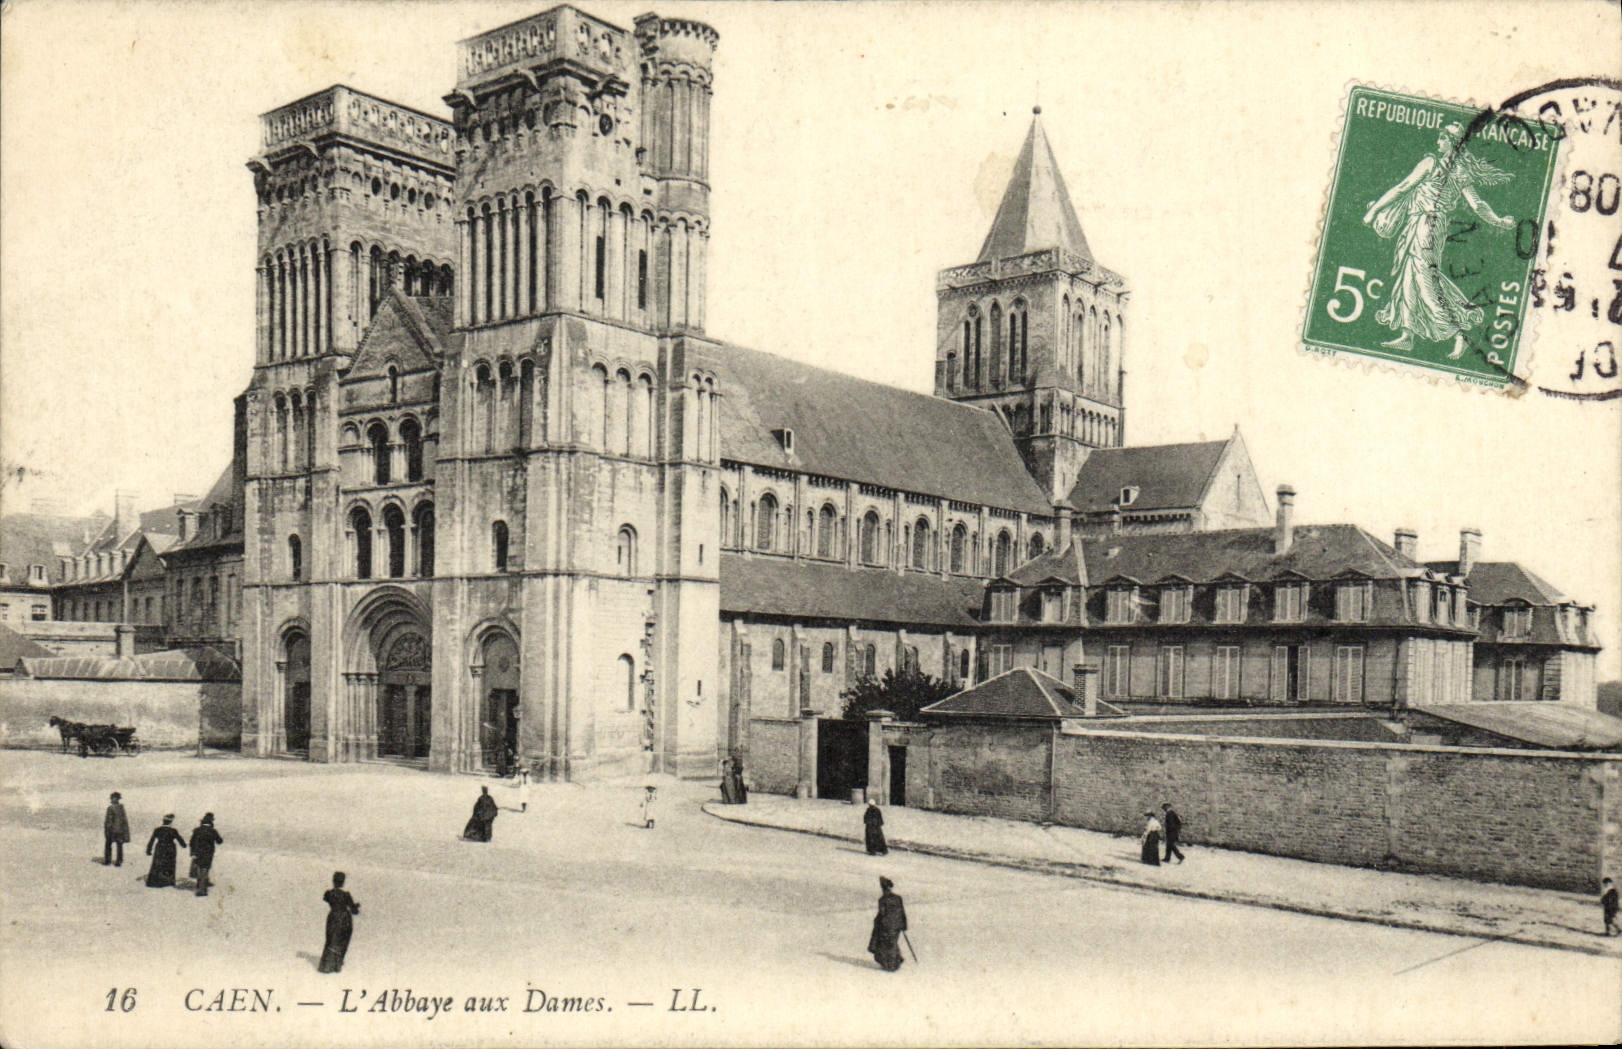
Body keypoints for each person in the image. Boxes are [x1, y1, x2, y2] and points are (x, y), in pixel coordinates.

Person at [1362, 122, 1516, 359]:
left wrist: (1374, 211)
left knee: (1425, 279)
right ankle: (1407, 335)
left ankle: (1459, 331)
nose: (1437, 143)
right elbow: (1478, 205)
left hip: (1425, 225)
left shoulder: (1431, 163)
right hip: (1431, 226)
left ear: (1451, 143)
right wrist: (1499, 221)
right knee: (1410, 277)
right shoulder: (1461, 172)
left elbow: (1402, 187)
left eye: (1442, 139)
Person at [318, 872, 362, 973]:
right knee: (342, 941)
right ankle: (336, 966)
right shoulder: (346, 895)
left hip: (333, 917)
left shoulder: (328, 893)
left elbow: (330, 901)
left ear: (333, 881)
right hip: (344, 918)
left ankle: (326, 967)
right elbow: (354, 911)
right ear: (343, 882)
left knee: (330, 940)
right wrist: (356, 906)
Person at [867, 876, 908, 972]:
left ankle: (891, 965)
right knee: (892, 944)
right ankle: (895, 962)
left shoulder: (882, 900)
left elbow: (882, 914)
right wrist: (903, 925)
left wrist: (877, 923)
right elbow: (902, 912)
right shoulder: (898, 898)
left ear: (883, 888)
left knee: (885, 944)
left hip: (887, 926)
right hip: (897, 925)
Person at [144, 815, 186, 888]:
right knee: (168, 864)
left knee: (157, 864)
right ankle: (167, 882)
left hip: (160, 848)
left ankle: (155, 881)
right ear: (171, 822)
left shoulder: (157, 830)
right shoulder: (173, 830)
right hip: (170, 849)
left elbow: (152, 840)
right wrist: (184, 845)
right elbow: (180, 840)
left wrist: (148, 850)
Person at [188, 813, 224, 896]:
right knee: (205, 868)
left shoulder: (196, 830)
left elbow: (191, 842)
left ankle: (200, 883)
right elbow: (219, 841)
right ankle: (201, 890)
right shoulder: (213, 831)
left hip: (197, 852)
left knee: (199, 867)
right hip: (208, 852)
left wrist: (192, 852)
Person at [103, 792, 130, 867]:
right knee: (119, 845)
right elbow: (124, 820)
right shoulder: (121, 808)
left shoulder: (111, 808)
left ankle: (108, 860)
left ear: (115, 799)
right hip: (120, 830)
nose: (111, 799)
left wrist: (107, 829)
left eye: (112, 798)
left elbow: (109, 820)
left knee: (108, 844)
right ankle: (119, 861)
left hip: (112, 830)